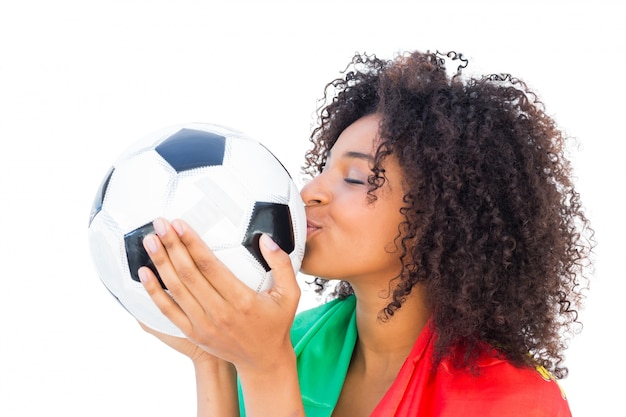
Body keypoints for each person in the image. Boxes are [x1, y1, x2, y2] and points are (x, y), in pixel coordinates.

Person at [136, 50, 593, 416]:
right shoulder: (289, 340)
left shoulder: (515, 403)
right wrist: (215, 360)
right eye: (321, 169)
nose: (308, 193)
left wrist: (266, 370)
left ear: (438, 218)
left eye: (355, 178)